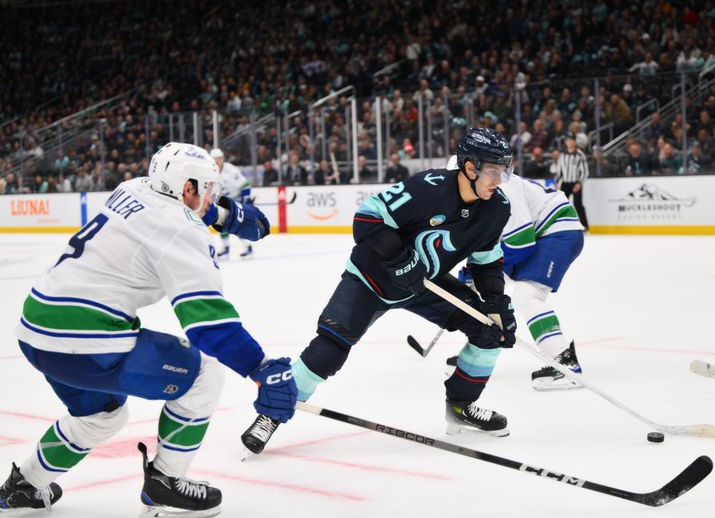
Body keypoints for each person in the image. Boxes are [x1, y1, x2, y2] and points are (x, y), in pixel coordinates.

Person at [0, 143, 297, 518]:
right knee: (202, 375)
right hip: (87, 339)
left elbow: (180, 206)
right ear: (188, 188)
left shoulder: (132, 187)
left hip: (36, 330)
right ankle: (165, 484)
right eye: (207, 187)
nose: (211, 194)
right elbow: (207, 323)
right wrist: (259, 367)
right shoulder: (178, 229)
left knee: (102, 416)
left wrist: (221, 214)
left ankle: (26, 485)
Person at [241, 128, 518, 455]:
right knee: (329, 349)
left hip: (424, 282)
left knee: (490, 330)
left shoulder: (497, 207)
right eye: (492, 171)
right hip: (373, 277)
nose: (499, 179)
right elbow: (367, 219)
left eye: (505, 171)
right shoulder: (428, 188)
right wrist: (400, 260)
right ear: (470, 167)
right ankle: (270, 415)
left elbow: (486, 261)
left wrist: (496, 301)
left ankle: (461, 407)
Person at [444, 156, 585, 390]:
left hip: (558, 230)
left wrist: (480, 271)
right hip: (540, 235)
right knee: (488, 295)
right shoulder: (478, 193)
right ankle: (479, 356)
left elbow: (521, 243)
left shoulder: (503, 188)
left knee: (527, 296)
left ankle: (565, 362)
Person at [210, 148, 254, 259]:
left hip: (236, 200)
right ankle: (226, 249)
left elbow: (245, 185)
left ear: (223, 159)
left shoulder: (231, 170)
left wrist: (246, 200)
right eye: (215, 159)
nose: (217, 161)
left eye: (219, 158)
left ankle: (248, 249)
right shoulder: (209, 172)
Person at [552, 133, 589, 230]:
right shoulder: (562, 155)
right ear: (565, 142)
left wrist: (579, 183)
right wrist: (556, 182)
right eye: (568, 140)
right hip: (565, 183)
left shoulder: (580, 154)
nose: (569, 142)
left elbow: (584, 171)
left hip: (576, 183)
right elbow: (559, 170)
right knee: (563, 205)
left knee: (578, 204)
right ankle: (562, 226)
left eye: (571, 140)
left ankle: (585, 225)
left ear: (575, 142)